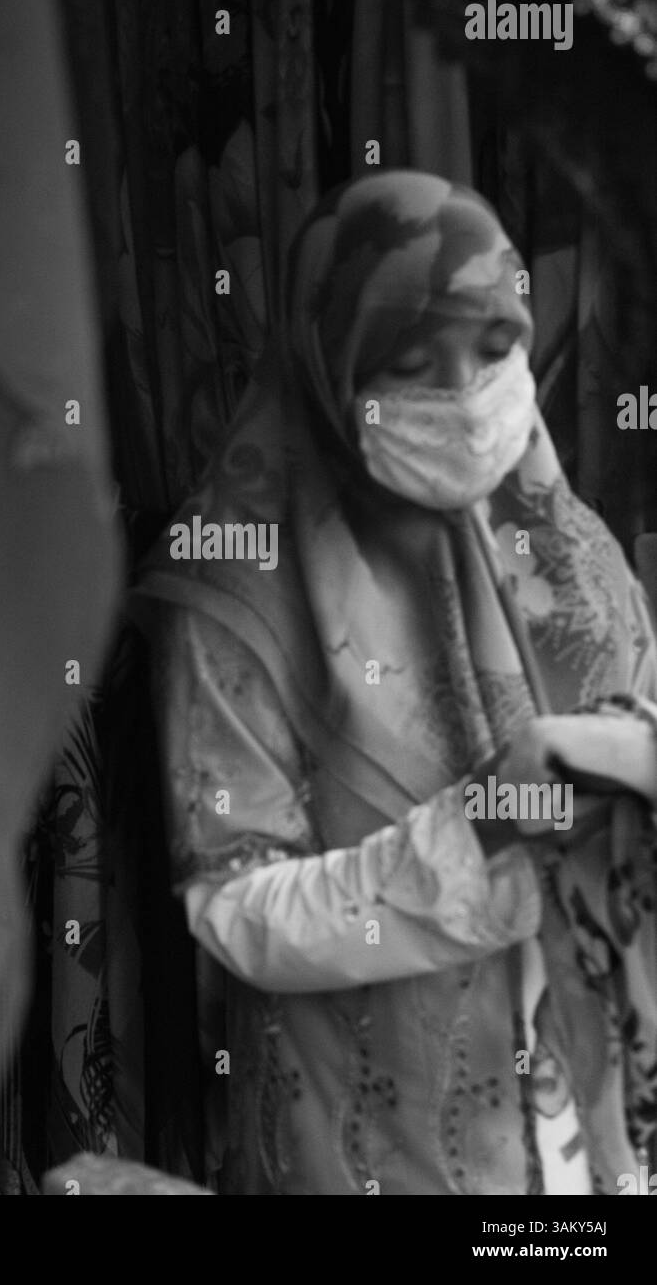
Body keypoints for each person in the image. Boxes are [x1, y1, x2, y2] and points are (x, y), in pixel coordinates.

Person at [131, 171, 657, 1195]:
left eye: (495, 350)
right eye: (414, 365)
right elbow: (230, 906)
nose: (465, 400)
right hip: (373, 1145)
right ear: (333, 366)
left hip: (587, 1143)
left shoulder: (561, 544)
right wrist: (476, 844)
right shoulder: (235, 584)